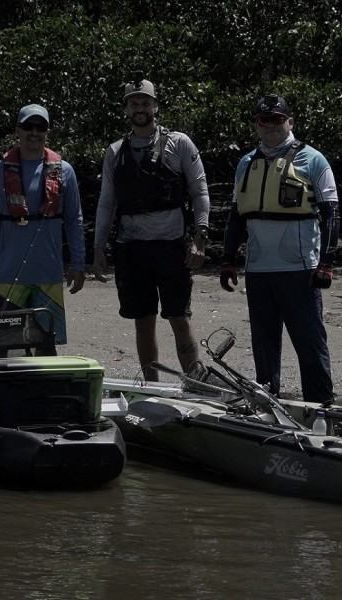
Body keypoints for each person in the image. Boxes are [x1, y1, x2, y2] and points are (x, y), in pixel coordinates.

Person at [218, 94, 340, 405]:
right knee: (264, 347)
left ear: (290, 122)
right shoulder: (246, 163)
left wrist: (326, 263)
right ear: (256, 125)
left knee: (310, 344)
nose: (271, 125)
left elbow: (332, 214)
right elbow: (236, 215)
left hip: (300, 271)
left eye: (277, 119)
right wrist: (228, 260)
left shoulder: (313, 160)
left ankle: (322, 407)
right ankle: (267, 404)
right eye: (264, 120)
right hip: (259, 271)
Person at [90, 80, 210, 381]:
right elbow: (107, 203)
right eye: (134, 103)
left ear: (156, 106)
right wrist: (98, 247)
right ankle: (151, 386)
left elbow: (199, 191)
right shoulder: (116, 151)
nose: (140, 108)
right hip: (132, 248)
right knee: (143, 320)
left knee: (179, 317)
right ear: (126, 109)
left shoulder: (179, 143)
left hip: (171, 246)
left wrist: (200, 236)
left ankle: (195, 382)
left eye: (145, 102)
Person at [0, 104, 86, 345]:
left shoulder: (65, 171)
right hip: (6, 274)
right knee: (1, 347)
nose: (34, 132)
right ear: (18, 130)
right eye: (28, 126)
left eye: (40, 127)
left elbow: (75, 221)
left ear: (47, 132)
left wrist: (78, 263)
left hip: (48, 274)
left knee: (46, 347)